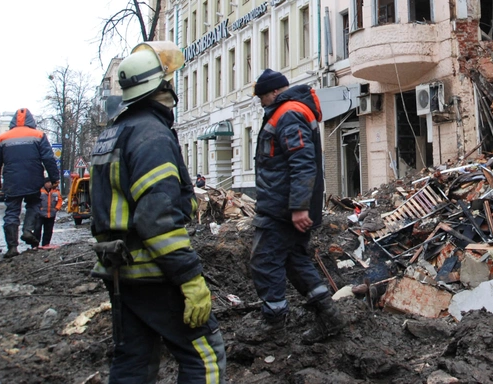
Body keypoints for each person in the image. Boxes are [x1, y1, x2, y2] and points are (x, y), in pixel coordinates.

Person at [89, 41, 225, 383]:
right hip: (152, 270)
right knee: (205, 357)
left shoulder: (114, 133)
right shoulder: (151, 136)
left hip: (118, 270)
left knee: (133, 361)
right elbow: (156, 220)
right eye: (170, 78)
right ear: (160, 86)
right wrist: (190, 278)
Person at [248, 68, 344, 345]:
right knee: (294, 260)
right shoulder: (290, 112)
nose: (261, 102)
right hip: (285, 206)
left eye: (263, 96)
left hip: (282, 209)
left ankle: (274, 327)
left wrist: (298, 208)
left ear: (275, 92)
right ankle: (330, 318)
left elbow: (302, 164)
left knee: (264, 261)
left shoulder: (288, 113)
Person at [0, 108, 59, 257]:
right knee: (33, 205)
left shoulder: (2, 138)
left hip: (12, 181)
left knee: (12, 212)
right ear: (31, 121)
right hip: (33, 179)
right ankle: (28, 231)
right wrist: (54, 178)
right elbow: (48, 158)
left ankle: (12, 247)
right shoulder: (38, 135)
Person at [35, 180, 63, 247]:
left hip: (51, 214)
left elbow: (59, 200)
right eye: (47, 182)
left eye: (50, 182)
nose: (49, 184)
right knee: (37, 229)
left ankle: (46, 245)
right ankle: (35, 245)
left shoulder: (56, 192)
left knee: (48, 231)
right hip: (40, 214)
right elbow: (35, 201)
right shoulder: (39, 191)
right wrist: (38, 209)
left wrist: (56, 208)